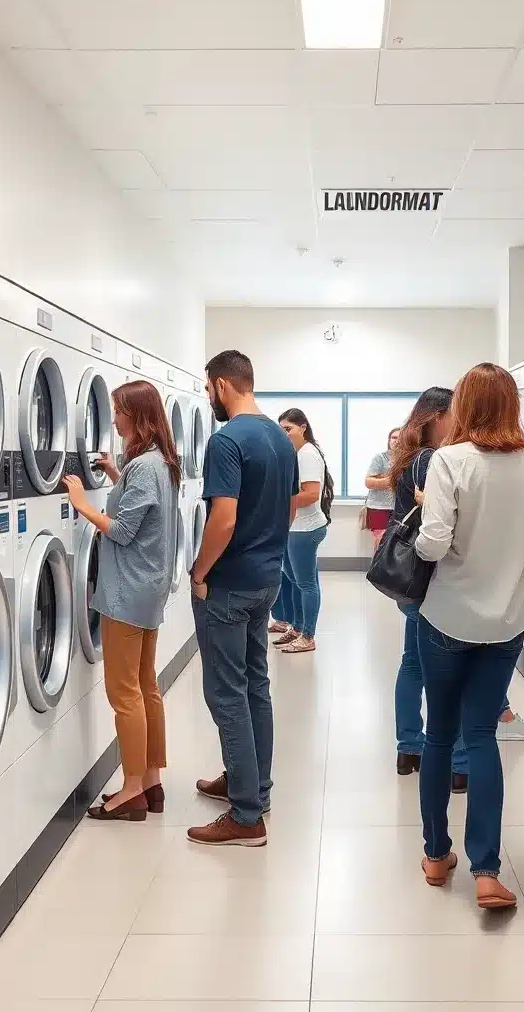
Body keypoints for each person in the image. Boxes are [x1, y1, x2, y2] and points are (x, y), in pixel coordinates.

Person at [414, 363, 524, 909]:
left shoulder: (449, 460)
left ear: (466, 406)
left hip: (447, 617)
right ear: (512, 406)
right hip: (505, 625)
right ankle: (487, 871)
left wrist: (436, 515)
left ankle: (434, 854)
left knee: (437, 737)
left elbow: (430, 546)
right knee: (481, 736)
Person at [187, 350, 298, 847]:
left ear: (221, 385)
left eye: (208, 388)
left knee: (226, 692)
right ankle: (252, 784)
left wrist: (200, 569)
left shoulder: (226, 439)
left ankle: (246, 816)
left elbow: (224, 519)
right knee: (255, 685)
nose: (208, 396)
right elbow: (291, 507)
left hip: (229, 584)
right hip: (266, 579)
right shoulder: (281, 436)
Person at [63, 380, 180, 821]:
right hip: (148, 590)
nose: (112, 419)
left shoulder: (145, 468)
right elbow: (143, 512)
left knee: (124, 692)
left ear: (136, 415)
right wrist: (115, 474)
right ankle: (151, 782)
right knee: (147, 686)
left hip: (127, 593)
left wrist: (81, 503)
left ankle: (130, 789)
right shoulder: (159, 463)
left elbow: (124, 529)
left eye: (117, 411)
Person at [388, 387, 470, 784]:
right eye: (454, 413)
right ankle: (457, 764)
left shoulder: (409, 458)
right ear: (438, 416)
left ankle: (408, 748)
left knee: (412, 664)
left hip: (411, 579)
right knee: (446, 672)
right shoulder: (434, 459)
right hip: (433, 579)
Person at [269, 408, 332, 654]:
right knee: (295, 581)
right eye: (281, 430)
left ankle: (308, 636)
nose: (284, 435)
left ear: (303, 427)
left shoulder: (307, 454)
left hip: (305, 529)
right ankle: (296, 628)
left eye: (288, 429)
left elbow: (311, 495)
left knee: (305, 584)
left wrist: (276, 501)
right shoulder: (296, 453)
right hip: (295, 526)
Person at [363, 428, 400, 549]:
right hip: (378, 507)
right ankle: (377, 567)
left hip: (399, 507)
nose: (396, 440)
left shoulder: (407, 459)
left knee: (394, 543)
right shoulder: (380, 458)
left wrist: (382, 479)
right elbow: (368, 482)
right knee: (381, 540)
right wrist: (392, 480)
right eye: (394, 437)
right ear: (389, 440)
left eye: (400, 438)